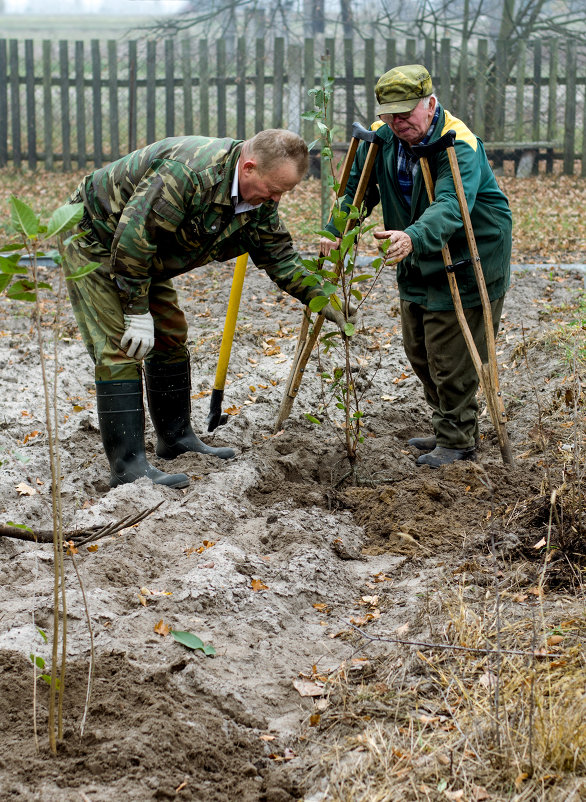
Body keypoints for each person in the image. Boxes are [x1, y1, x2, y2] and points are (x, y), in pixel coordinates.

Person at [62, 129, 353, 489]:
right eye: (275, 189)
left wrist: (322, 298)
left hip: (140, 251)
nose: (277, 199)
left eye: (284, 192)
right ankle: (128, 467)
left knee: (169, 333)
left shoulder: (257, 200)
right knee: (122, 345)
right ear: (248, 168)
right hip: (96, 236)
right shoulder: (188, 174)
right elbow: (134, 239)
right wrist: (136, 311)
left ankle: (175, 438)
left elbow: (278, 254)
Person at [320, 64, 512, 467]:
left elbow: (451, 205)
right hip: (415, 254)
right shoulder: (384, 138)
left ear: (431, 104)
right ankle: (447, 426)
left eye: (406, 112)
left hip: (466, 257)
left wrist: (412, 236)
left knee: (451, 355)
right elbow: (356, 192)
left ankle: (457, 440)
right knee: (419, 350)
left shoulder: (457, 142)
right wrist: (337, 230)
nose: (397, 121)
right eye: (390, 113)